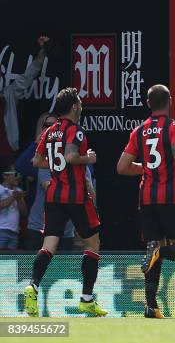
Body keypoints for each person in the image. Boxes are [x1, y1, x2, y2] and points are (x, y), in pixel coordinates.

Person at [117, 84, 175, 319]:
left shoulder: (138, 131)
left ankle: (150, 307)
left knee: (153, 250)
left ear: (148, 104)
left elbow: (121, 168)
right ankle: (158, 252)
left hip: (146, 199)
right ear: (170, 101)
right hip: (171, 199)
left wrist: (147, 167)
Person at [25, 87, 107, 317]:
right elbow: (71, 157)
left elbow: (35, 161)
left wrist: (55, 163)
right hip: (76, 196)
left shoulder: (49, 132)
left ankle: (33, 285)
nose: (81, 106)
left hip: (54, 196)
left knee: (49, 245)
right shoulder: (76, 131)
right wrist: (87, 159)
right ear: (73, 107)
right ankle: (86, 299)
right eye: (79, 103)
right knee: (92, 244)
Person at [18, 113, 77, 251]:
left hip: (65, 229)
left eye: (54, 126)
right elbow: (20, 166)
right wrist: (37, 143)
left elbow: (88, 181)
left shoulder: (73, 151)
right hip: (38, 227)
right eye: (47, 126)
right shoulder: (42, 157)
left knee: (63, 272)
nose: (51, 129)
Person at [0, 36, 50, 168]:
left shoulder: (7, 95)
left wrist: (43, 48)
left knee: (11, 187)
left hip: (7, 154)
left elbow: (29, 74)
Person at [0, 167, 27, 249]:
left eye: (18, 174)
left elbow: (24, 213)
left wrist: (19, 200)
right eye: (15, 174)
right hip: (1, 230)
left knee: (11, 260)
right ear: (5, 175)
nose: (18, 177)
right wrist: (13, 197)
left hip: (14, 232)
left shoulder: (18, 190)